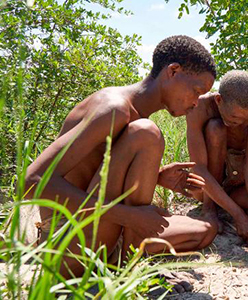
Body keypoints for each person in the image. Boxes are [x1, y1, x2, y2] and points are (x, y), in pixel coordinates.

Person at [25, 35, 218, 278]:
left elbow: (95, 174)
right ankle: (129, 270)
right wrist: (129, 216)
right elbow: (31, 181)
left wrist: (156, 177)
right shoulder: (114, 109)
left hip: (105, 230)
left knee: (205, 230)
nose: (196, 102)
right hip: (68, 242)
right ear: (173, 71)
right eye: (196, 91)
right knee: (147, 134)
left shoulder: (135, 115)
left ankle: (125, 256)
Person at [187, 70, 248, 247]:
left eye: (246, 119)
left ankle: (229, 201)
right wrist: (239, 215)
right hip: (206, 184)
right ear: (218, 100)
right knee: (216, 129)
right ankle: (210, 207)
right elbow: (198, 168)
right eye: (234, 117)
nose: (239, 123)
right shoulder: (199, 107)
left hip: (237, 180)